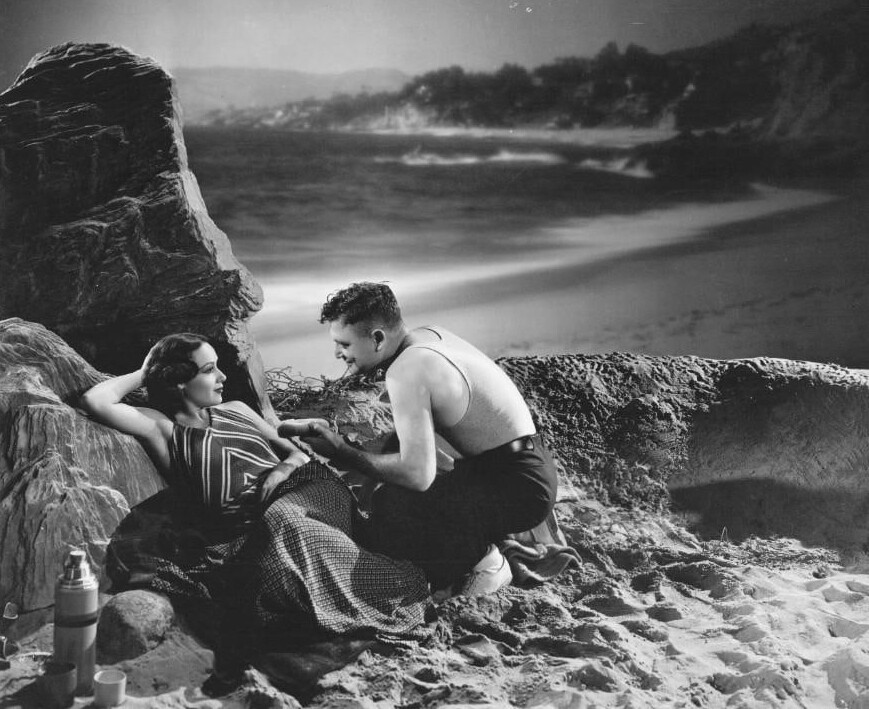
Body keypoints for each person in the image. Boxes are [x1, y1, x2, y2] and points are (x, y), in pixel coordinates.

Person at [80, 332, 430, 689]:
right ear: (180, 380)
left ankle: (374, 596)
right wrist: (149, 369)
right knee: (268, 573)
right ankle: (365, 599)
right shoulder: (163, 430)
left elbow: (296, 453)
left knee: (284, 521)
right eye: (209, 370)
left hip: (308, 489)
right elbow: (96, 400)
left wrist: (280, 471)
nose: (223, 377)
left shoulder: (236, 409)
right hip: (252, 529)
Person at [304, 282, 558, 596]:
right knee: (392, 482)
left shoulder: (408, 369)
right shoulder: (430, 336)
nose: (338, 354)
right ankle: (482, 543)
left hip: (520, 489)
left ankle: (487, 563)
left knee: (394, 510)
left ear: (378, 338)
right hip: (525, 466)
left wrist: (340, 450)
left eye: (344, 344)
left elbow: (417, 476)